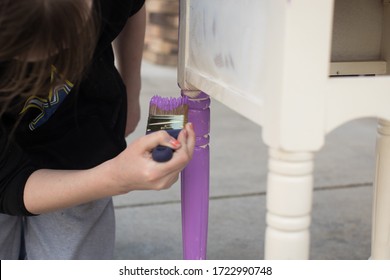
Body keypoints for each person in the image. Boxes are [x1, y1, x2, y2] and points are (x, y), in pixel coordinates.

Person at [0, 0, 195, 259]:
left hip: (81, 139)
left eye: (72, 38)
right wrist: (115, 178)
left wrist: (130, 89)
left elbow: (131, 8)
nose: (59, 61)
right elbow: (8, 184)